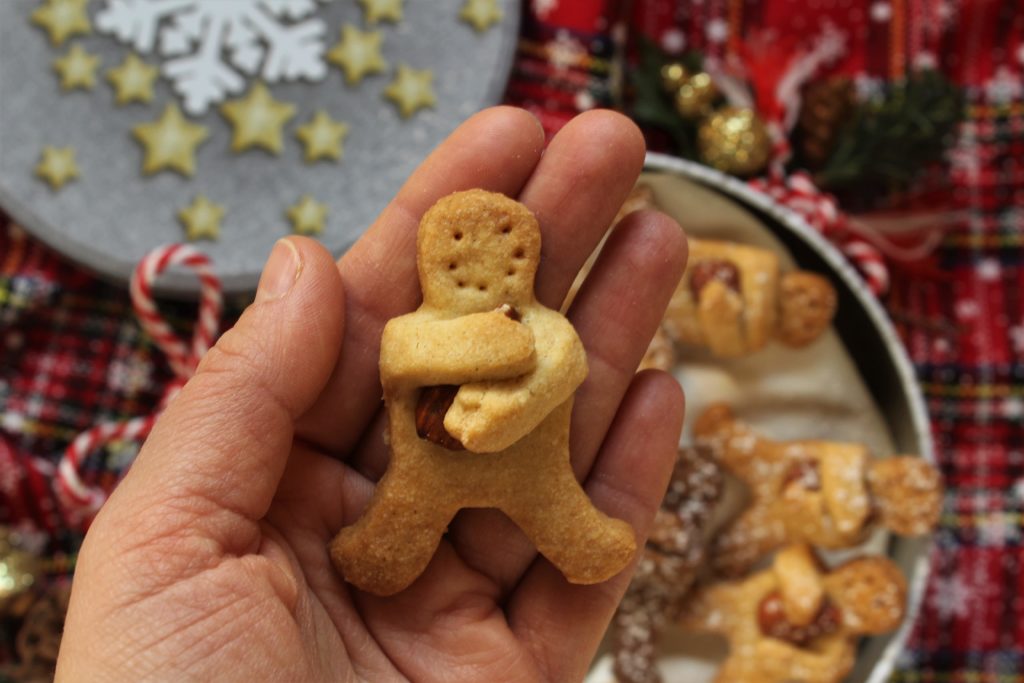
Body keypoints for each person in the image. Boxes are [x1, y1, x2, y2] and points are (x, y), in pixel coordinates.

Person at [54, 107, 689, 682]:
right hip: (428, 471)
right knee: (396, 527)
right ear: (435, 263)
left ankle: (582, 543)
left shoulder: (550, 328)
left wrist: (503, 409)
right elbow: (412, 357)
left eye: (508, 253)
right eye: (461, 252)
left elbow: (562, 367)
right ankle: (381, 560)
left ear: (527, 262)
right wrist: (495, 347)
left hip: (535, 466)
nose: (485, 264)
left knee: (562, 514)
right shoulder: (411, 329)